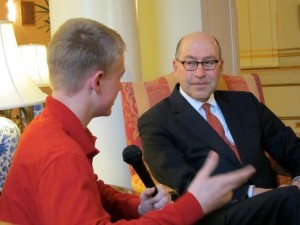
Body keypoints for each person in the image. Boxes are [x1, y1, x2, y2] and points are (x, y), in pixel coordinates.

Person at [0, 19, 255, 225]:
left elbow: (92, 190)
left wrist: (137, 206)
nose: (122, 87)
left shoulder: (47, 127)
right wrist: (194, 204)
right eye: (119, 77)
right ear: (98, 81)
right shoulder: (61, 154)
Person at [138, 31, 300, 225]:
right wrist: (250, 192)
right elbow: (184, 182)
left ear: (220, 66)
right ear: (176, 67)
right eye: (190, 63)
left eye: (209, 62)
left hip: (278, 205)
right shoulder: (155, 120)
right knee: (290, 199)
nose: (200, 73)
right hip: (217, 215)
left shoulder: (245, 103)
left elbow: (290, 147)